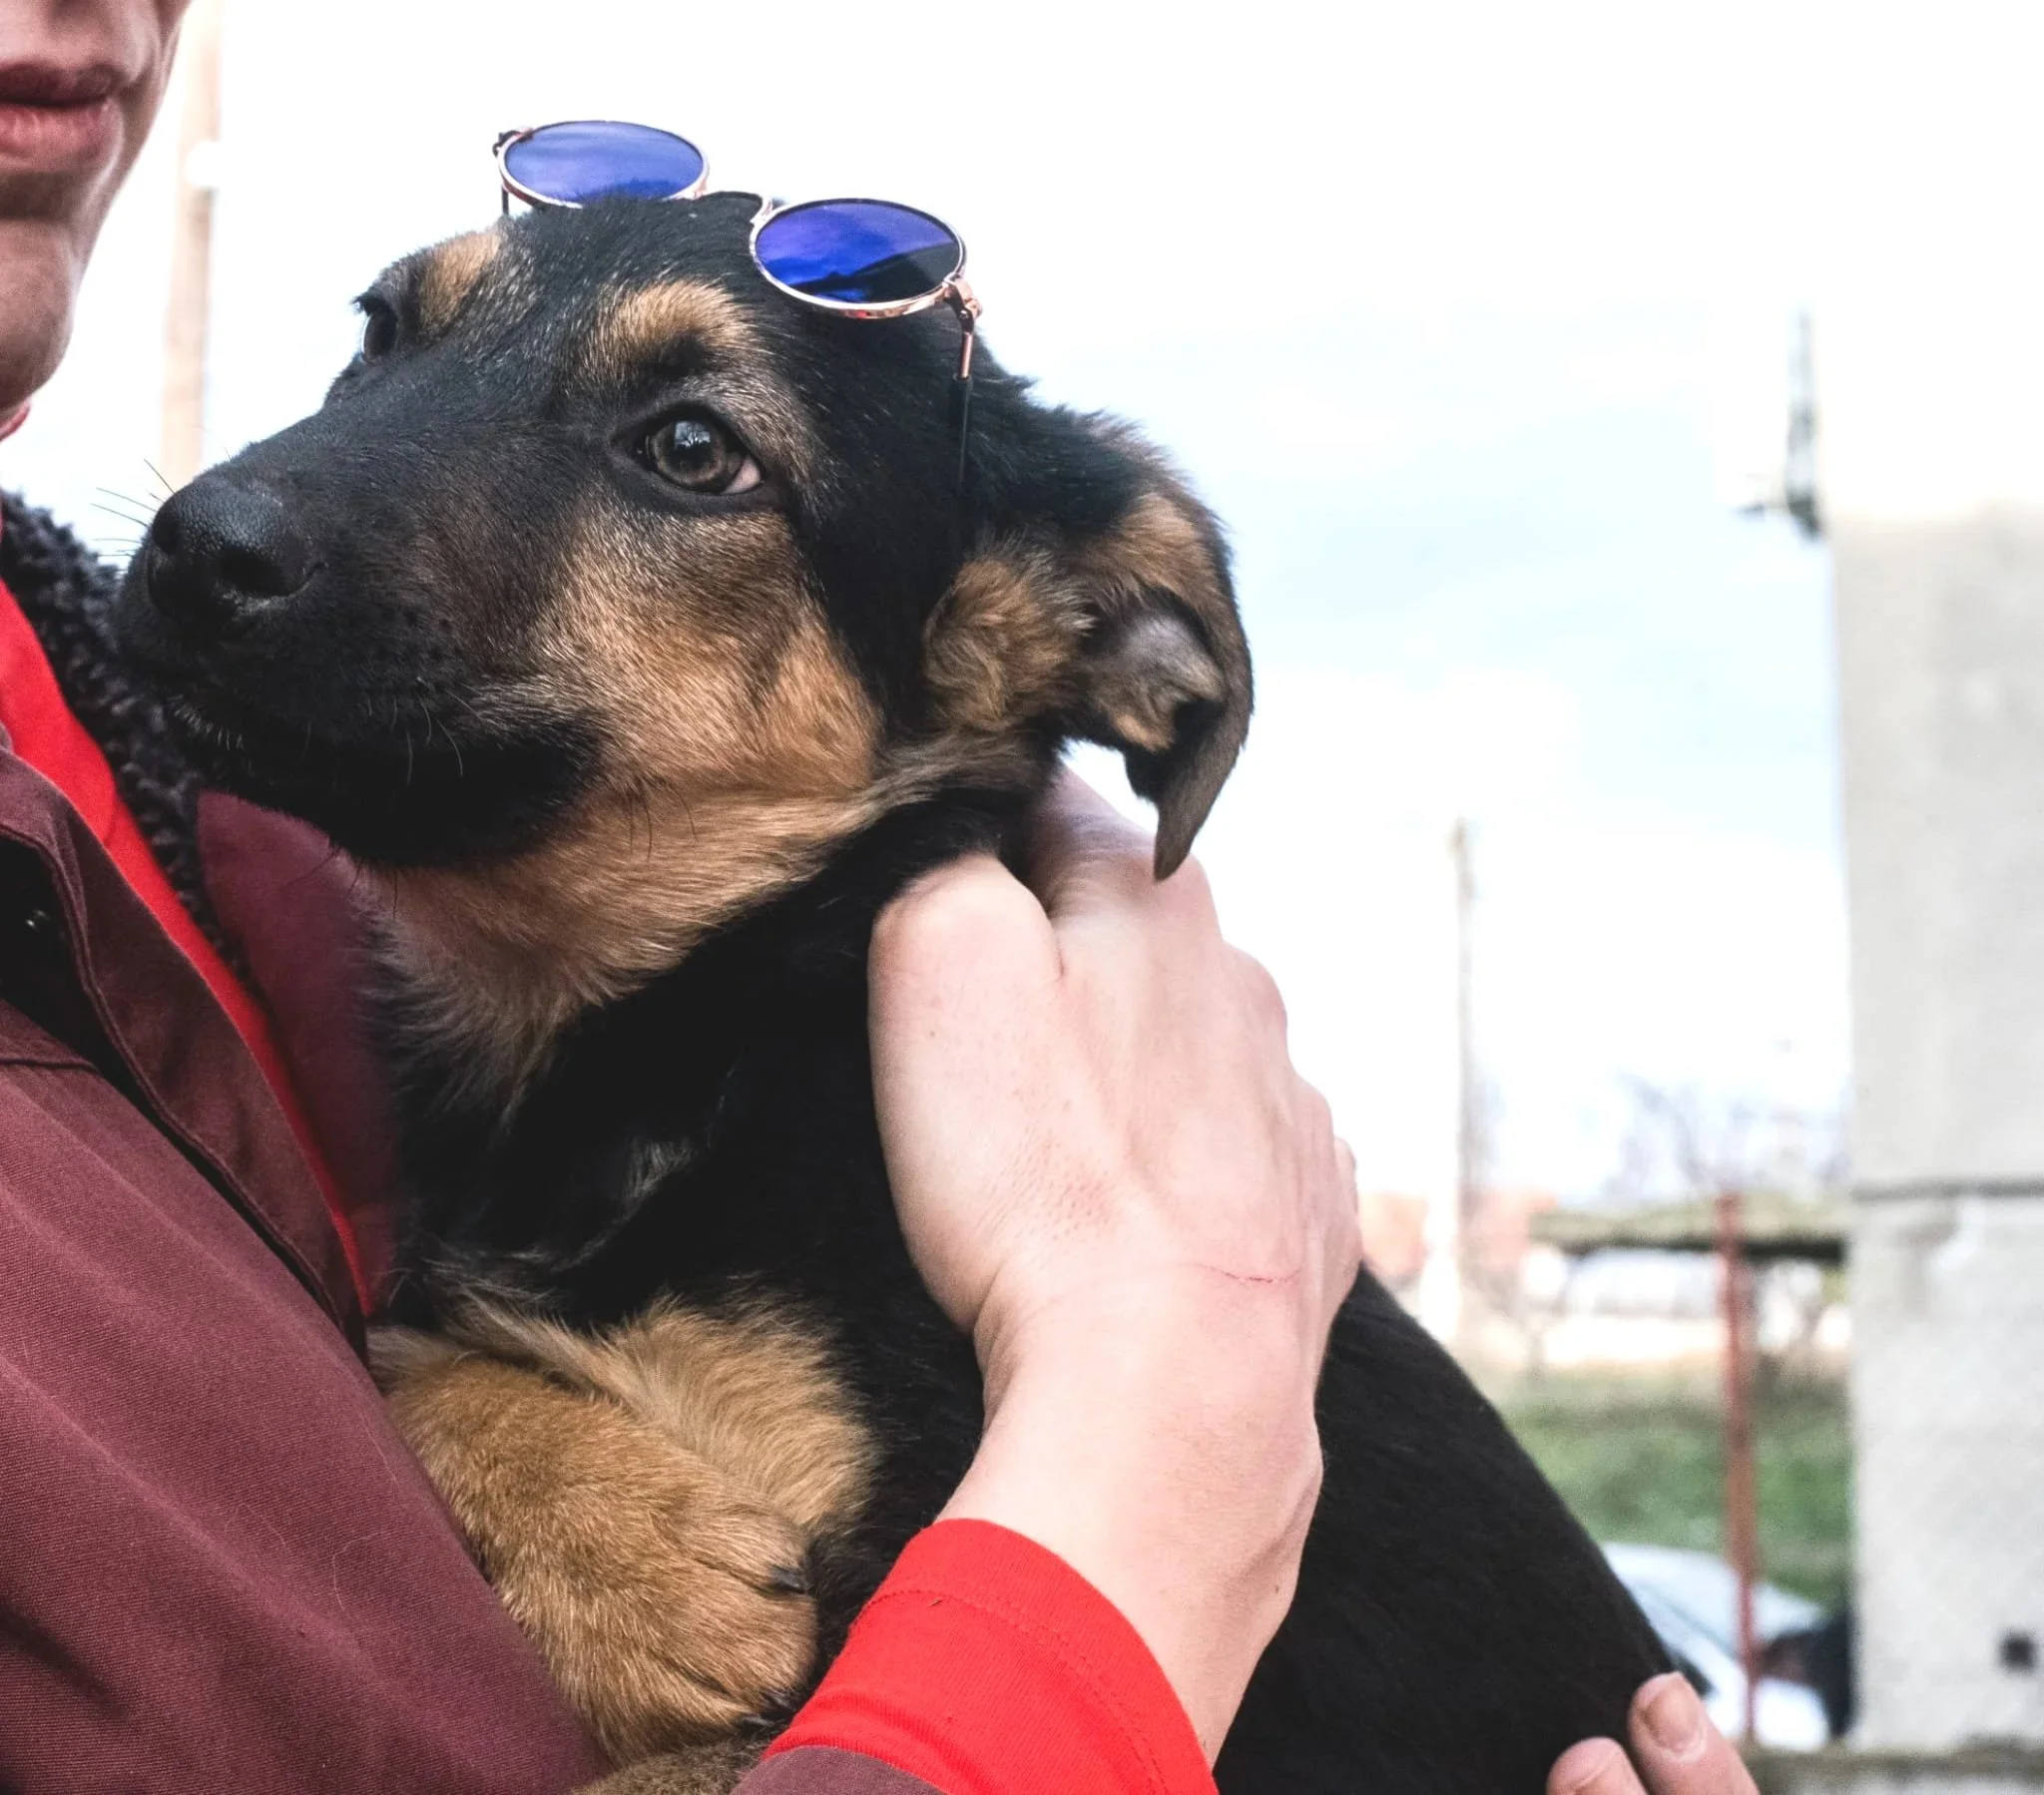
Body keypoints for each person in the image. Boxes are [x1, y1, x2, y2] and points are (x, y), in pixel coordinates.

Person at [0, 5, 1759, 1791]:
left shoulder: (928, 1207)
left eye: (692, 453)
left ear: (1026, 646)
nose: (253, 514)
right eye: (400, 339)